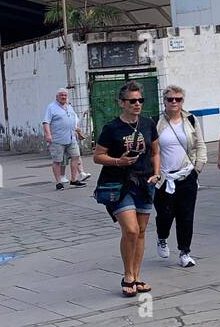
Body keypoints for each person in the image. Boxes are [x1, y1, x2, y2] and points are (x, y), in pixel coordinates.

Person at [92, 81, 161, 297]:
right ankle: (127, 275)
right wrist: (117, 162)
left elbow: (155, 152)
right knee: (130, 230)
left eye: (140, 100)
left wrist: (156, 173)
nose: (137, 104)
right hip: (119, 184)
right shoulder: (112, 128)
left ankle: (137, 276)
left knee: (140, 232)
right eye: (132, 101)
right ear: (122, 103)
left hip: (145, 182)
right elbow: (97, 156)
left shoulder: (148, 124)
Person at [154, 85, 207, 268]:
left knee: (186, 216)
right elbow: (152, 151)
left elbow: (200, 145)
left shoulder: (190, 120)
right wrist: (154, 174)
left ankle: (185, 252)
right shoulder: (157, 122)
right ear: (165, 101)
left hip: (186, 175)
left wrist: (196, 169)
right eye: (170, 99)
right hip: (164, 178)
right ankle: (162, 237)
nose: (174, 102)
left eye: (178, 99)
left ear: (183, 101)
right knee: (165, 214)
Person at [42, 88, 90, 189]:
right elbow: (46, 122)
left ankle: (74, 179)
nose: (64, 97)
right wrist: (48, 134)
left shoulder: (69, 107)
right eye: (61, 95)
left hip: (71, 137)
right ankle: (59, 182)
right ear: (57, 97)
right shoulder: (51, 107)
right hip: (57, 139)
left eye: (65, 95)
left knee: (76, 157)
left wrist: (77, 129)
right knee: (57, 161)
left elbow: (73, 119)